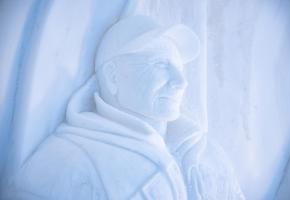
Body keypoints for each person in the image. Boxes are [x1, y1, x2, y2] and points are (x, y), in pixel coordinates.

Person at [4, 15, 245, 200]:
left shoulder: (206, 153)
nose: (181, 81)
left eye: (179, 66)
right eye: (160, 64)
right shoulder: (64, 163)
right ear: (112, 77)